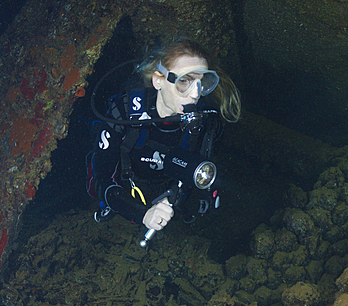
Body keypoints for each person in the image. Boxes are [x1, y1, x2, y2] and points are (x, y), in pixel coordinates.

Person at [91, 37, 241, 235]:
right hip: (127, 188)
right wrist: (142, 214)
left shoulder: (207, 121)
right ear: (158, 80)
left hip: (170, 194)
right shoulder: (124, 112)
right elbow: (100, 177)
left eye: (202, 82)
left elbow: (207, 167)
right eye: (184, 81)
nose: (195, 94)